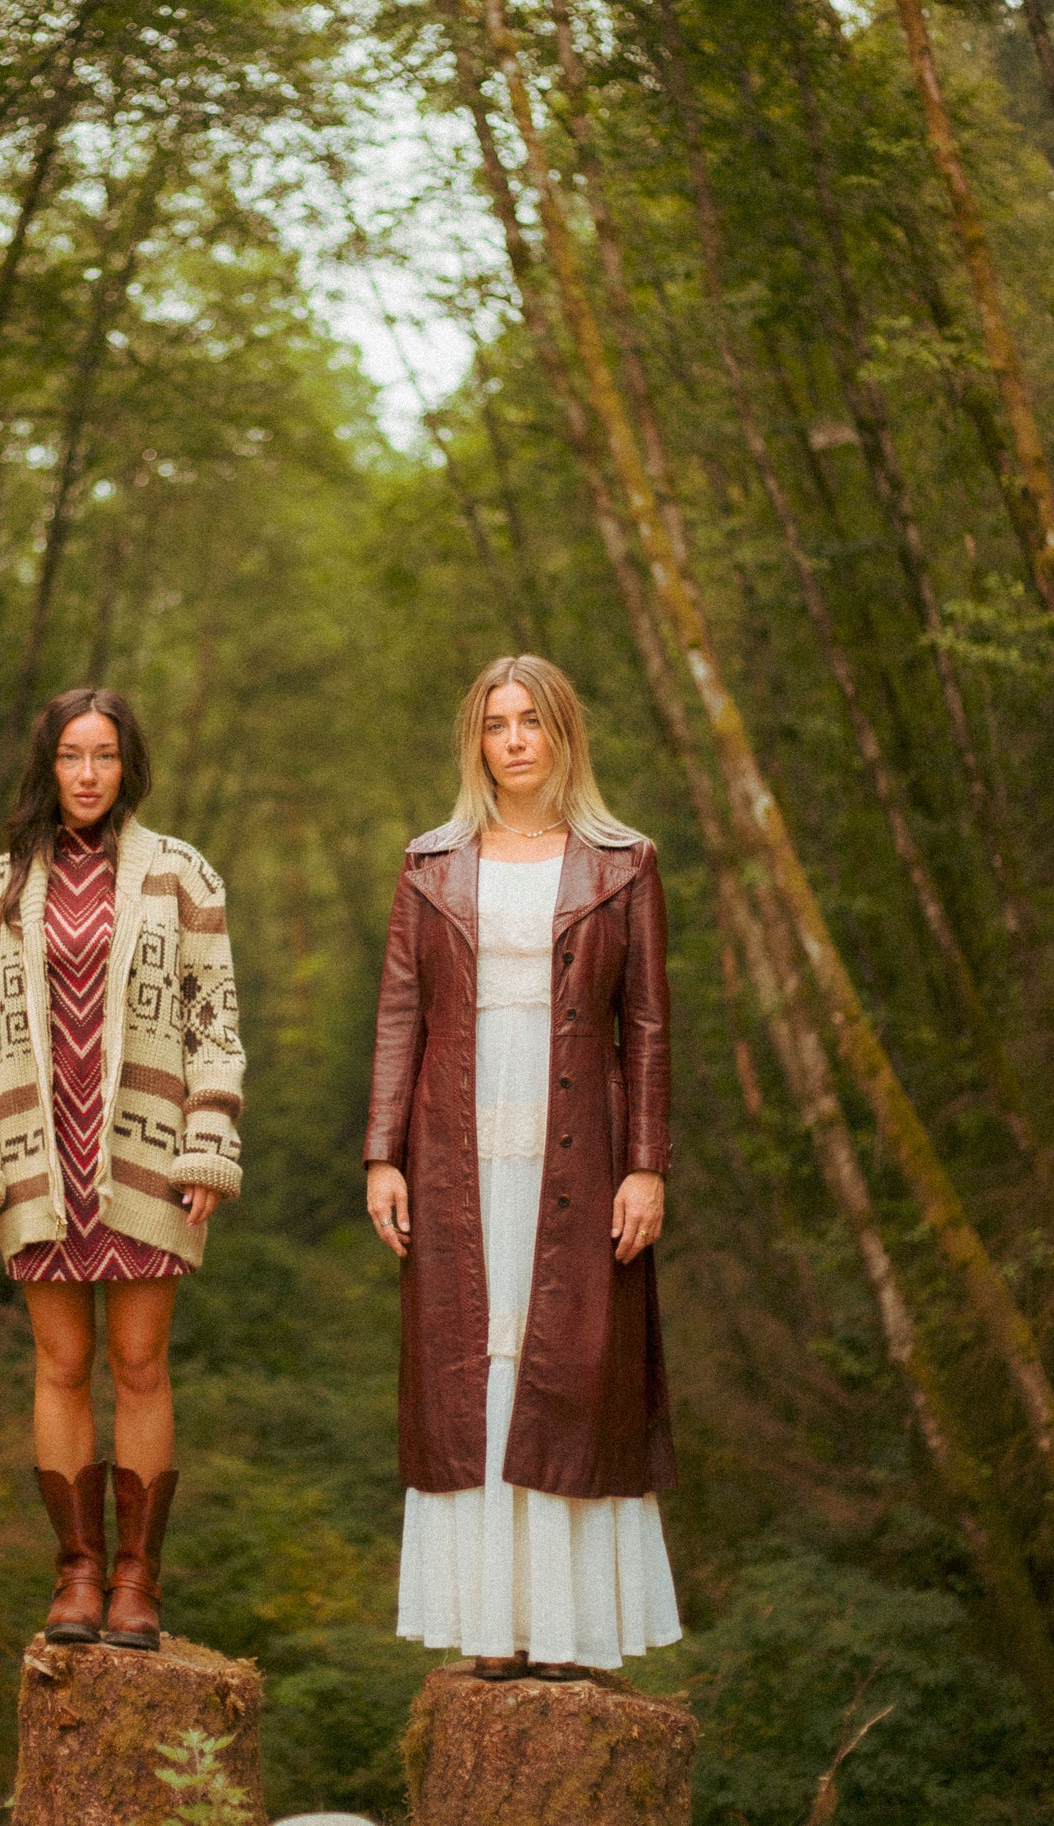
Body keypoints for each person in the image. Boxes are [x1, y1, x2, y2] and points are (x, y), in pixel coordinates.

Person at [364, 654, 681, 1679]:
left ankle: (566, 1629)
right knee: (472, 1367)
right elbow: (400, 1014)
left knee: (574, 1367)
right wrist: (382, 1156)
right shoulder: (430, 864)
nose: (514, 741)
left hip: (583, 1141)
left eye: (531, 721)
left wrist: (647, 1165)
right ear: (477, 743)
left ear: (563, 734)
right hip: (453, 1143)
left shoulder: (623, 861)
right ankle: (493, 1629)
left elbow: (648, 1024)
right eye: (496, 724)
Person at [0, 687, 244, 1649]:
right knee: (61, 1365)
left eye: (104, 756)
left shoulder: (183, 877)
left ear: (127, 766)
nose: (87, 774)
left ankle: (137, 1582)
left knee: (140, 1364)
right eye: (72, 756)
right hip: (36, 1154)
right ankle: (75, 1574)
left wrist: (210, 1139)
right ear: (48, 765)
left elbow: (214, 1018)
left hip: (148, 1153)